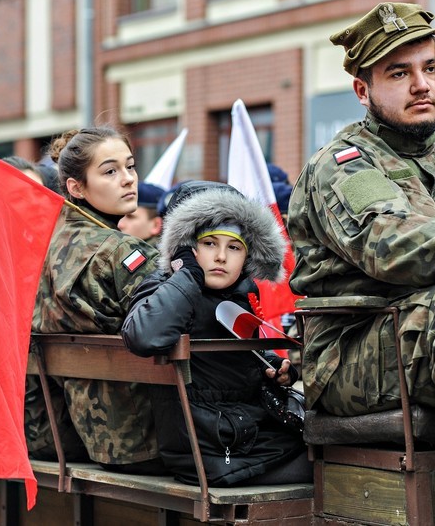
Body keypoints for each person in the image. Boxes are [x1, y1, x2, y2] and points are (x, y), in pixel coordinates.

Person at [287, 1, 435, 517]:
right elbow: (388, 243)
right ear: (363, 91)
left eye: (430, 67)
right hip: (355, 352)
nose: (422, 85)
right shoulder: (343, 165)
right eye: (399, 74)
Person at [123, 181, 310, 486]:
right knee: (338, 465)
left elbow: (231, 364)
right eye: (210, 243)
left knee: (340, 447)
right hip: (214, 451)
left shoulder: (239, 293)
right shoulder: (167, 287)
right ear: (185, 246)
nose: (221, 256)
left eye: (234, 247)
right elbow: (144, 335)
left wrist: (273, 368)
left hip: (244, 437)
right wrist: (187, 274)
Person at [26, 126, 165, 473]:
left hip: (67, 435)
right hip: (142, 439)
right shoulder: (122, 251)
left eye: (130, 166)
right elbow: (175, 327)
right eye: (110, 171)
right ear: (76, 188)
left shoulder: (47, 242)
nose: (128, 179)